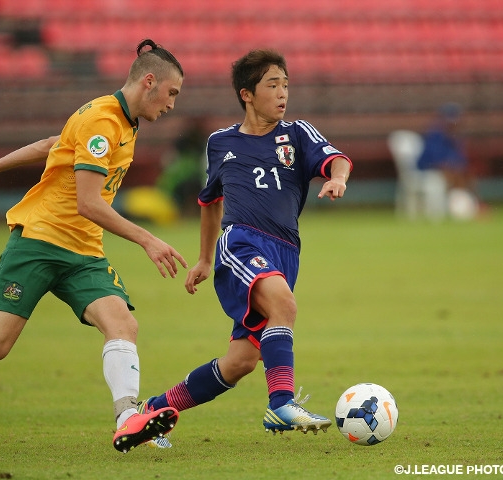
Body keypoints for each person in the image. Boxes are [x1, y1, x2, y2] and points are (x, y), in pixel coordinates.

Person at [0, 39, 187, 454]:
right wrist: (148, 239)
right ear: (149, 81)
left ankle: (127, 416)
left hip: (83, 252)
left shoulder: (120, 119)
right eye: (171, 93)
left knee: (123, 325)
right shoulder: (102, 121)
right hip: (39, 242)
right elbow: (88, 202)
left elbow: (52, 144)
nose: (172, 104)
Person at [137, 49, 352, 446]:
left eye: (286, 84)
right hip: (241, 243)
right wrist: (204, 258)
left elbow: (338, 159)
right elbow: (210, 202)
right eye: (272, 85)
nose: (282, 93)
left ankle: (151, 411)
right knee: (284, 306)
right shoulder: (221, 142)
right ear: (247, 94)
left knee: (240, 363)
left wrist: (337, 178)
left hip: (286, 252)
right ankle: (282, 404)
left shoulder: (298, 133)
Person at [417, 102, 484, 219]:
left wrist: (460, 167)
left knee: (468, 175)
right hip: (428, 168)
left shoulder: (455, 136)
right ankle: (454, 207)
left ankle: (473, 205)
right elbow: (434, 158)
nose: (453, 123)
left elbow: (460, 159)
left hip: (448, 169)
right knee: (453, 174)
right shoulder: (435, 134)